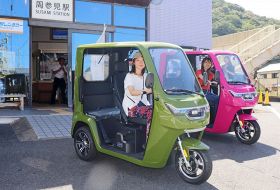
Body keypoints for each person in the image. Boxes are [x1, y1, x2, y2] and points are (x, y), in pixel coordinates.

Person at [122, 52, 152, 142]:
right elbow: (132, 92)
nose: (141, 62)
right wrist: (145, 91)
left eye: (143, 60)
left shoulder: (146, 76)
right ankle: (149, 141)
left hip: (144, 105)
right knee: (151, 113)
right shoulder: (129, 76)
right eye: (138, 60)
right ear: (134, 62)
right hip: (131, 107)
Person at [196, 57, 219, 124]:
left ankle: (213, 118)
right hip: (200, 92)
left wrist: (216, 82)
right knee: (216, 99)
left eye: (209, 62)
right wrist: (207, 81)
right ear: (203, 63)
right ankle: (213, 120)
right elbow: (203, 78)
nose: (207, 64)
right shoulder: (198, 71)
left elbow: (215, 80)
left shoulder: (211, 74)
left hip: (207, 92)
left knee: (219, 99)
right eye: (206, 62)